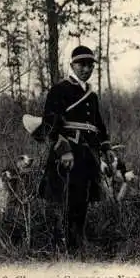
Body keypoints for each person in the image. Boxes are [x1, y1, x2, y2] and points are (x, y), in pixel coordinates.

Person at [35, 45, 115, 256]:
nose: (86, 69)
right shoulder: (59, 89)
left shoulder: (92, 95)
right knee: (66, 199)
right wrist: (64, 151)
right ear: (72, 65)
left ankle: (78, 241)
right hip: (68, 153)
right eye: (81, 64)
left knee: (83, 198)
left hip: (89, 153)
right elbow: (50, 125)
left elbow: (98, 124)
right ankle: (66, 246)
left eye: (90, 65)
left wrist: (106, 148)